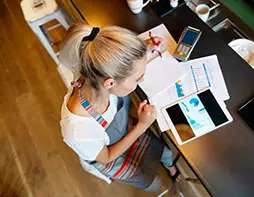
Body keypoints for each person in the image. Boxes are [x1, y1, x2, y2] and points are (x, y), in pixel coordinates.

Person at [59, 23, 180, 193]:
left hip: (121, 129)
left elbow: (111, 58)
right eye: (138, 78)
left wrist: (143, 47)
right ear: (110, 83)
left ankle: (169, 166)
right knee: (156, 184)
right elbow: (106, 157)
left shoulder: (92, 70)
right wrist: (142, 126)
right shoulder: (78, 131)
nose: (142, 80)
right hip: (108, 156)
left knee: (165, 152)